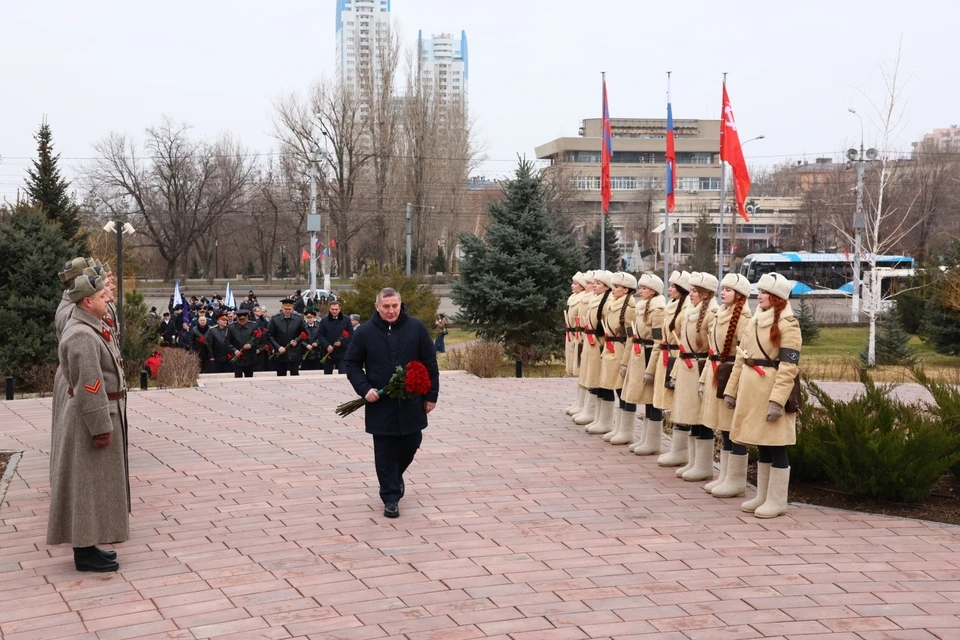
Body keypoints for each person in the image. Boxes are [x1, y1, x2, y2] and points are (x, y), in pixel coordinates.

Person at [47, 272, 129, 572]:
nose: (107, 298)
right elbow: (89, 385)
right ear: (87, 301)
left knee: (91, 486)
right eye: (100, 296)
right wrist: (101, 427)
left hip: (92, 417)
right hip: (88, 420)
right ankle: (83, 552)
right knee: (84, 486)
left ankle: (89, 544)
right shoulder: (82, 333)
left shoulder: (88, 326)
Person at [343, 288, 439, 519]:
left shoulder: (416, 327)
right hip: (380, 403)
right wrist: (365, 389)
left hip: (411, 400)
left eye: (394, 305)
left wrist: (431, 395)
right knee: (384, 451)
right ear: (377, 307)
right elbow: (351, 364)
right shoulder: (365, 332)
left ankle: (394, 477)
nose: (391, 310)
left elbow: (429, 362)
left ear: (400, 304)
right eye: (386, 306)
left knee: (413, 441)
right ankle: (390, 498)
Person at [726, 272, 802, 518]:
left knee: (776, 445)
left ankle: (777, 500)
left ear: (778, 297)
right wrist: (731, 389)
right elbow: (741, 356)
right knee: (762, 443)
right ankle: (763, 495)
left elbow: (790, 366)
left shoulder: (788, 325)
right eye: (760, 291)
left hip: (770, 391)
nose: (760, 296)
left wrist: (777, 401)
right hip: (751, 390)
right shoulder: (755, 320)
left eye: (766, 292)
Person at [700, 273, 753, 498]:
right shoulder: (720, 314)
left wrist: (734, 385)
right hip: (717, 371)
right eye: (723, 289)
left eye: (728, 290)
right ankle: (725, 476)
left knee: (733, 428)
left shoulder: (744, 319)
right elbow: (712, 350)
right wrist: (704, 378)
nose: (723, 293)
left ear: (739, 294)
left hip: (731, 374)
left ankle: (736, 480)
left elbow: (744, 354)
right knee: (723, 426)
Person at [669, 271, 719, 482]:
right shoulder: (690, 311)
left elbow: (712, 347)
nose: (691, 294)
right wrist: (674, 373)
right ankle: (693, 461)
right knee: (690, 416)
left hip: (700, 368)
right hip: (687, 367)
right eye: (690, 290)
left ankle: (704, 465)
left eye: (696, 291)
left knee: (701, 418)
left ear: (706, 294)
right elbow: (682, 344)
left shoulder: (712, 313)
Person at [646, 271, 690, 467]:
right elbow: (659, 338)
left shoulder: (686, 310)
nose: (669, 289)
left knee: (679, 405)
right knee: (664, 402)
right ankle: (666, 446)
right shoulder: (671, 307)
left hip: (677, 359)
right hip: (666, 357)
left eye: (673, 286)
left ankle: (680, 451)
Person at [622, 273, 666, 455]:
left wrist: (651, 368)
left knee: (652, 399)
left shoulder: (658, 310)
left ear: (654, 291)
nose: (641, 291)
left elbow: (658, 340)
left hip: (649, 355)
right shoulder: (641, 308)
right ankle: (646, 438)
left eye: (645, 288)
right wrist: (626, 361)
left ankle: (653, 441)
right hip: (639, 354)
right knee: (645, 399)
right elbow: (633, 335)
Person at [597, 272, 638, 444]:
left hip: (620, 350)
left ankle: (626, 430)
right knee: (613, 386)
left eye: (617, 287)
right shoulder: (612, 304)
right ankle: (619, 428)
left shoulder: (628, 308)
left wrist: (625, 360)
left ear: (626, 289)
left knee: (622, 390)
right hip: (610, 347)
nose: (614, 290)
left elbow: (631, 336)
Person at [268, 298, 308, 376]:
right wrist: (278, 347)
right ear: (282, 308)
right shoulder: (275, 319)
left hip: (294, 352)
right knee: (281, 375)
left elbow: (304, 333)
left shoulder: (298, 319)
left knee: (294, 374)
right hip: (280, 353)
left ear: (293, 308)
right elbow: (269, 335)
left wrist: (297, 341)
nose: (287, 311)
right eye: (286, 309)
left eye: (290, 309)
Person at [318, 300, 352, 375]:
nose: (334, 311)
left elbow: (351, 335)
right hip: (328, 352)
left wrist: (342, 342)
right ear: (329, 309)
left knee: (343, 374)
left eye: (336, 309)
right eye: (332, 309)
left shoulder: (346, 320)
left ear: (340, 309)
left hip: (342, 352)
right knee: (327, 375)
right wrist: (327, 345)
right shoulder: (324, 321)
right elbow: (320, 335)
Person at [227, 308, 257, 377]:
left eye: (244, 320)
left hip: (249, 357)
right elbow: (227, 341)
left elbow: (258, 339)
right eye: (240, 321)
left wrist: (251, 344)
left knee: (249, 377)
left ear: (247, 318)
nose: (242, 322)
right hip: (237, 357)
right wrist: (234, 350)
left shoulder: (254, 326)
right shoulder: (231, 327)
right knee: (238, 377)